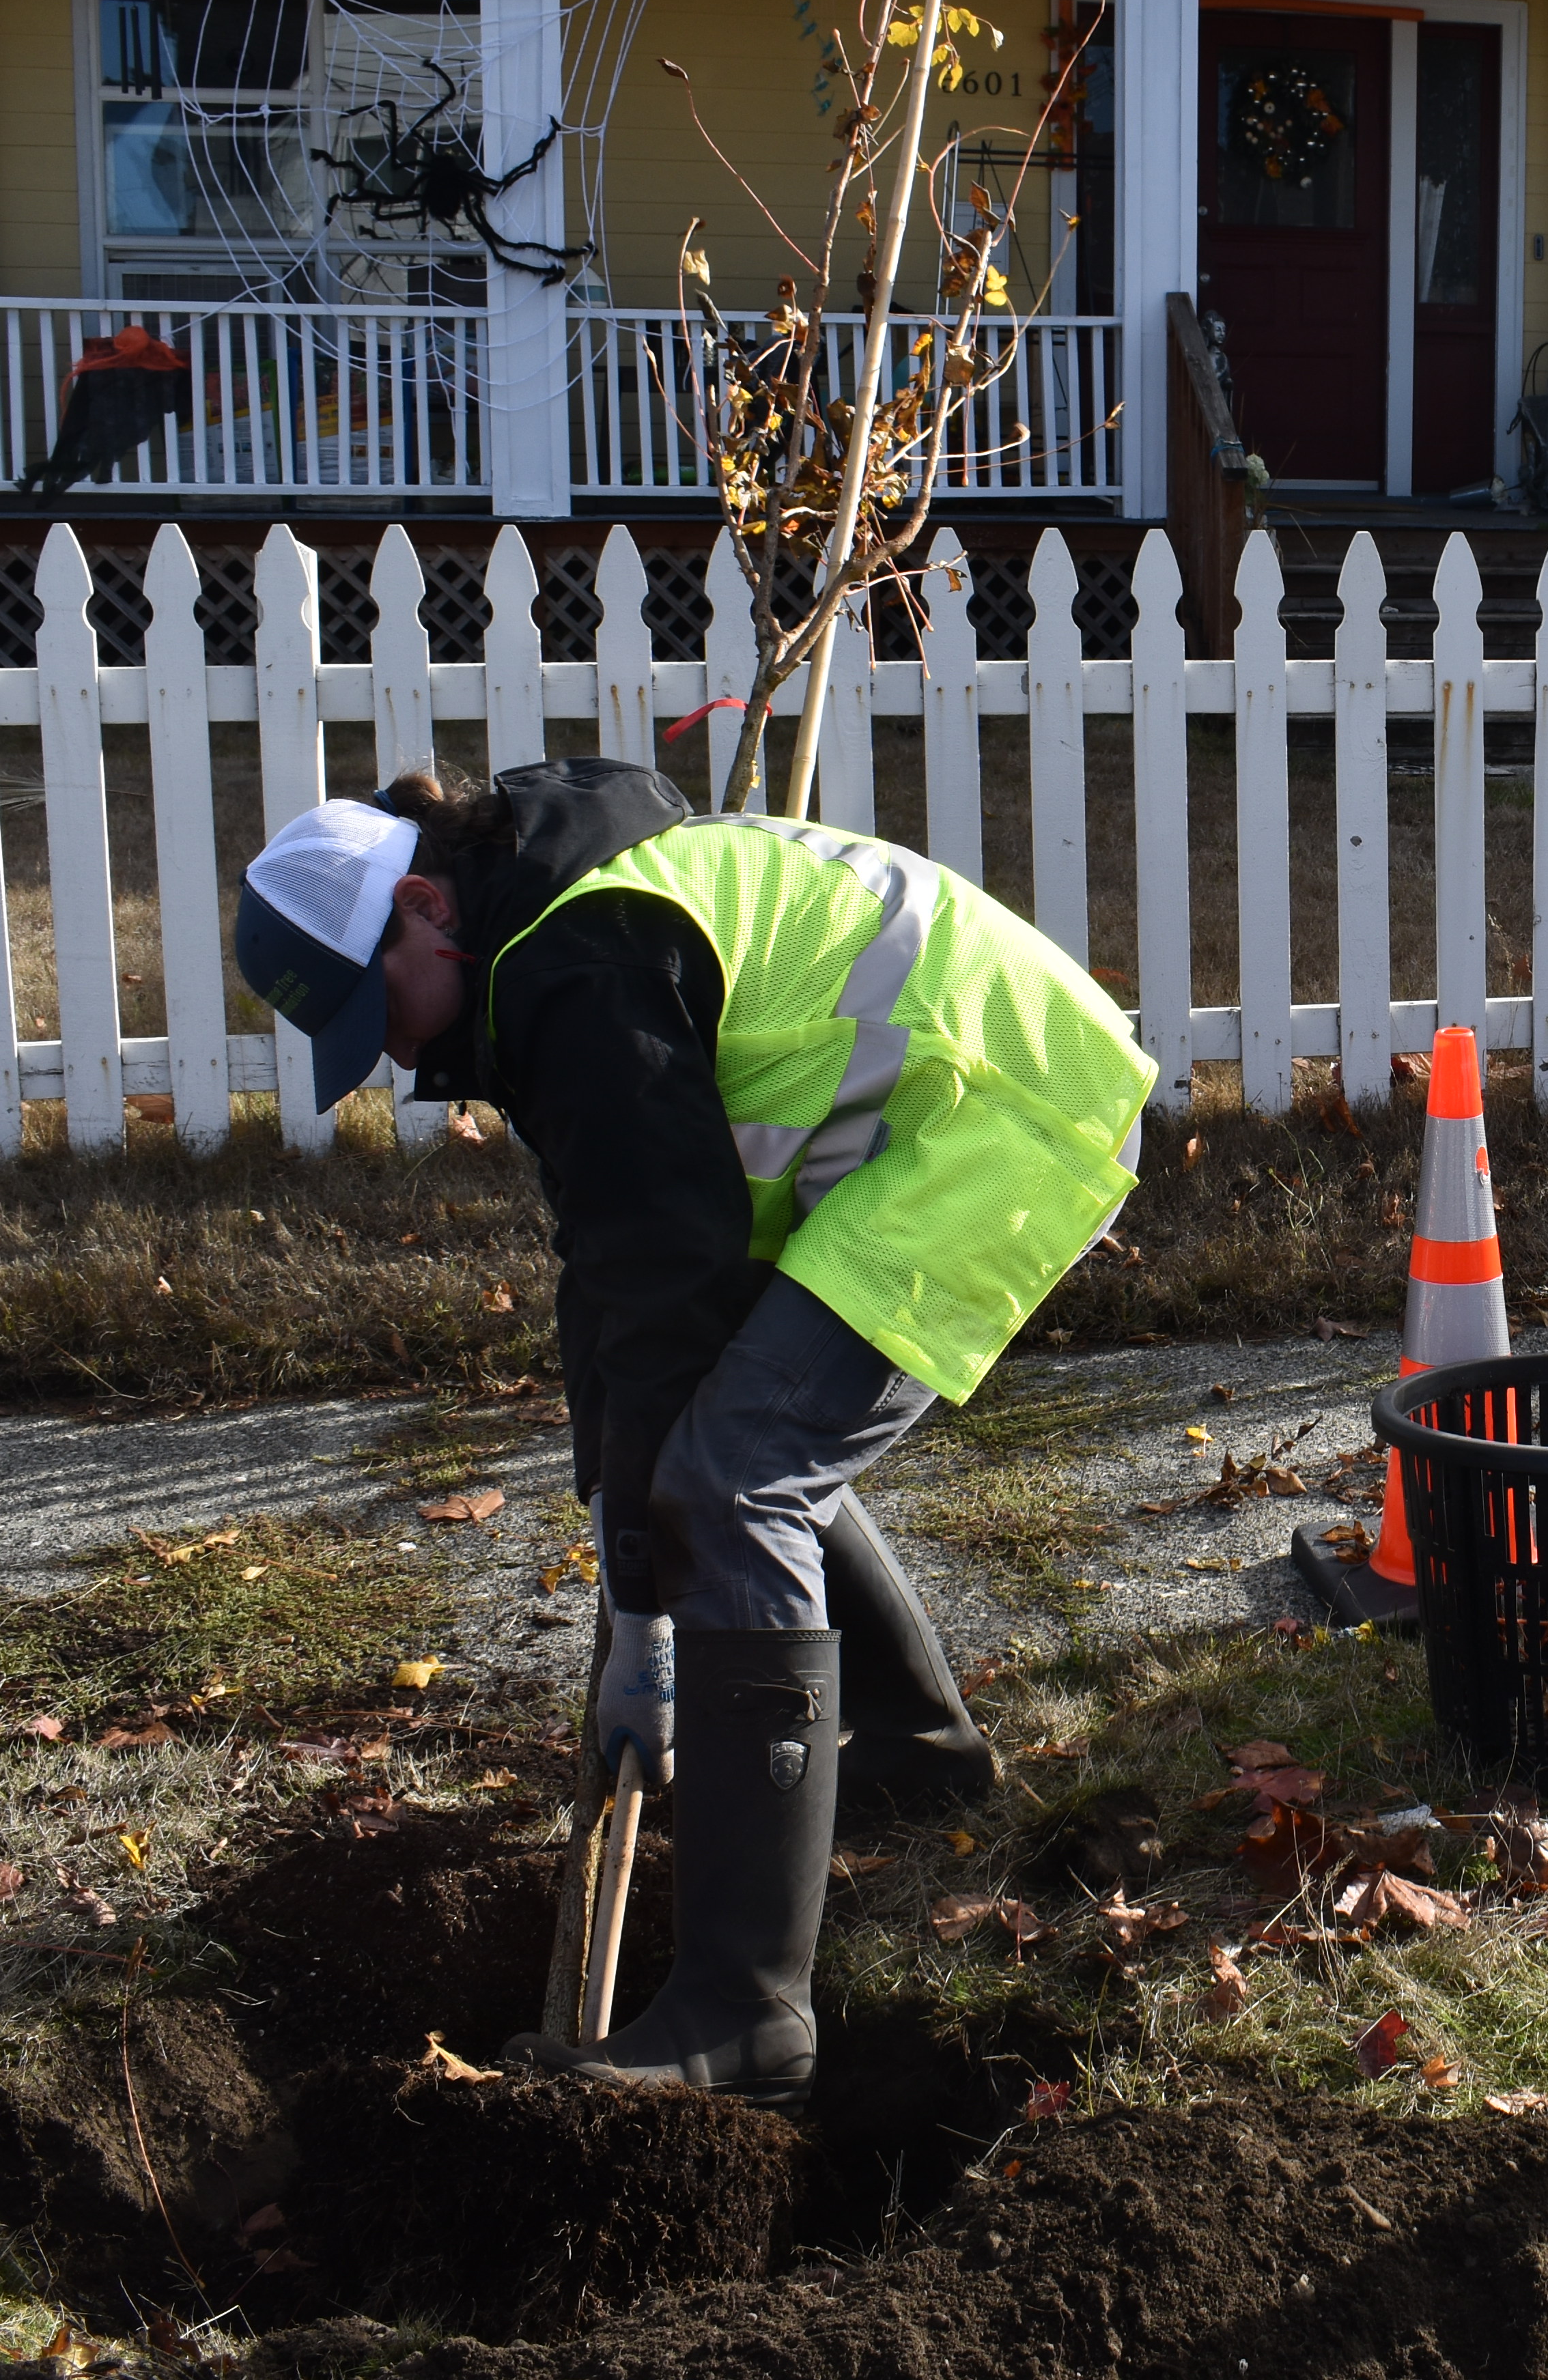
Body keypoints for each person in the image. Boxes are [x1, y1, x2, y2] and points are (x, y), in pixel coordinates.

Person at [232, 759, 1153, 2105]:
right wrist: (619, 1547)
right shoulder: (549, 931)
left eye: (386, 1010)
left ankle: (745, 2009)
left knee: (735, 1482)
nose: (401, 1054)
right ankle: (915, 1755)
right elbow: (616, 1286)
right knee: (739, 1434)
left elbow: (661, 1289)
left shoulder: (577, 963)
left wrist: (650, 1623)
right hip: (949, 1106)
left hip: (988, 1114)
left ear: (426, 906)